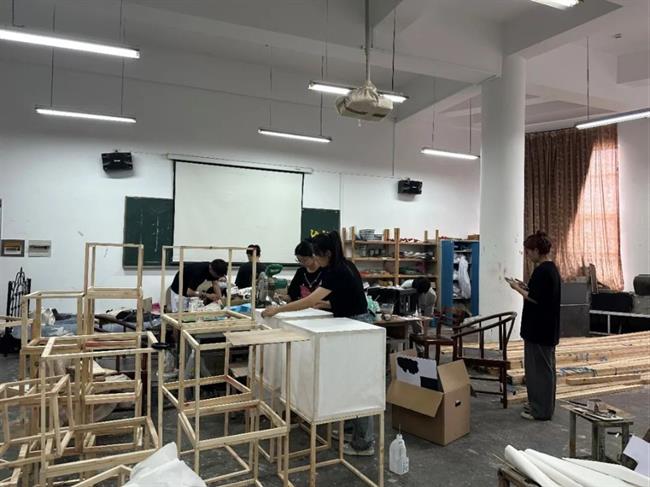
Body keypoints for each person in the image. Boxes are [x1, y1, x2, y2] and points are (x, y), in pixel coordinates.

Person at [261, 231, 374, 456]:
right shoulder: (342, 266)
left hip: (357, 327)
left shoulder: (337, 270)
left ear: (327, 254)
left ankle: (363, 443)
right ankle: (351, 428)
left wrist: (278, 310)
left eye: (316, 255)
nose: (314, 259)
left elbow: (310, 300)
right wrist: (328, 304)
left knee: (359, 384)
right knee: (348, 380)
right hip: (351, 323)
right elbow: (347, 297)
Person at [507, 231, 561, 421]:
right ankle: (539, 405)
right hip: (544, 329)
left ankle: (541, 410)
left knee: (540, 372)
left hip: (539, 330)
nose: (528, 255)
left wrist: (516, 288)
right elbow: (540, 294)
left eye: (529, 251)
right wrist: (525, 286)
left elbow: (535, 298)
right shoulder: (550, 269)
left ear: (537, 250)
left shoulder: (543, 271)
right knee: (542, 370)